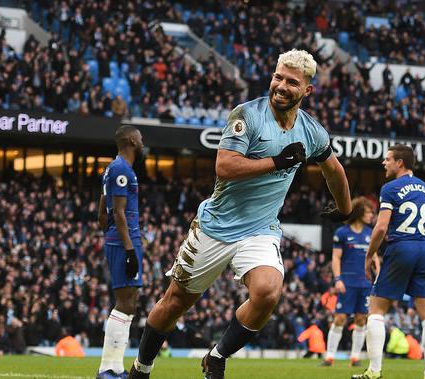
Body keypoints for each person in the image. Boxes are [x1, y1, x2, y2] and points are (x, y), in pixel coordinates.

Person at [128, 49, 353, 379]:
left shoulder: (311, 131)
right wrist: (277, 162)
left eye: (292, 82)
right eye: (278, 77)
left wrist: (345, 209)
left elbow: (333, 169)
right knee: (175, 302)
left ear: (307, 90)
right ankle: (140, 369)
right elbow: (225, 166)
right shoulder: (247, 115)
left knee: (268, 292)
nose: (281, 85)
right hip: (216, 227)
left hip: (261, 229)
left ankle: (217, 356)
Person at [353, 144, 425, 379]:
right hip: (424, 249)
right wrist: (421, 251)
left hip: (401, 245)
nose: (384, 163)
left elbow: (381, 227)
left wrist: (370, 254)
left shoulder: (390, 188)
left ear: (400, 163)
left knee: (377, 310)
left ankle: (374, 371)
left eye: (388, 159)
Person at [96, 125, 145, 379]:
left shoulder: (113, 169)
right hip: (125, 240)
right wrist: (127, 248)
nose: (142, 141)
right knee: (125, 302)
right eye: (140, 138)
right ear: (131, 140)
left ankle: (114, 366)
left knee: (130, 302)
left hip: (121, 239)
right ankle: (108, 367)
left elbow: (102, 212)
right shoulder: (121, 170)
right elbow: (117, 212)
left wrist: (110, 234)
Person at [321, 197, 378, 367]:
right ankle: (329, 356)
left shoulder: (371, 233)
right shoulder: (342, 233)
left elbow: (375, 258)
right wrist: (338, 279)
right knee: (340, 318)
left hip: (365, 283)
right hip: (347, 282)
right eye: (369, 212)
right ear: (359, 212)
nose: (372, 216)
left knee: (361, 320)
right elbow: (336, 258)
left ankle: (355, 357)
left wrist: (378, 276)